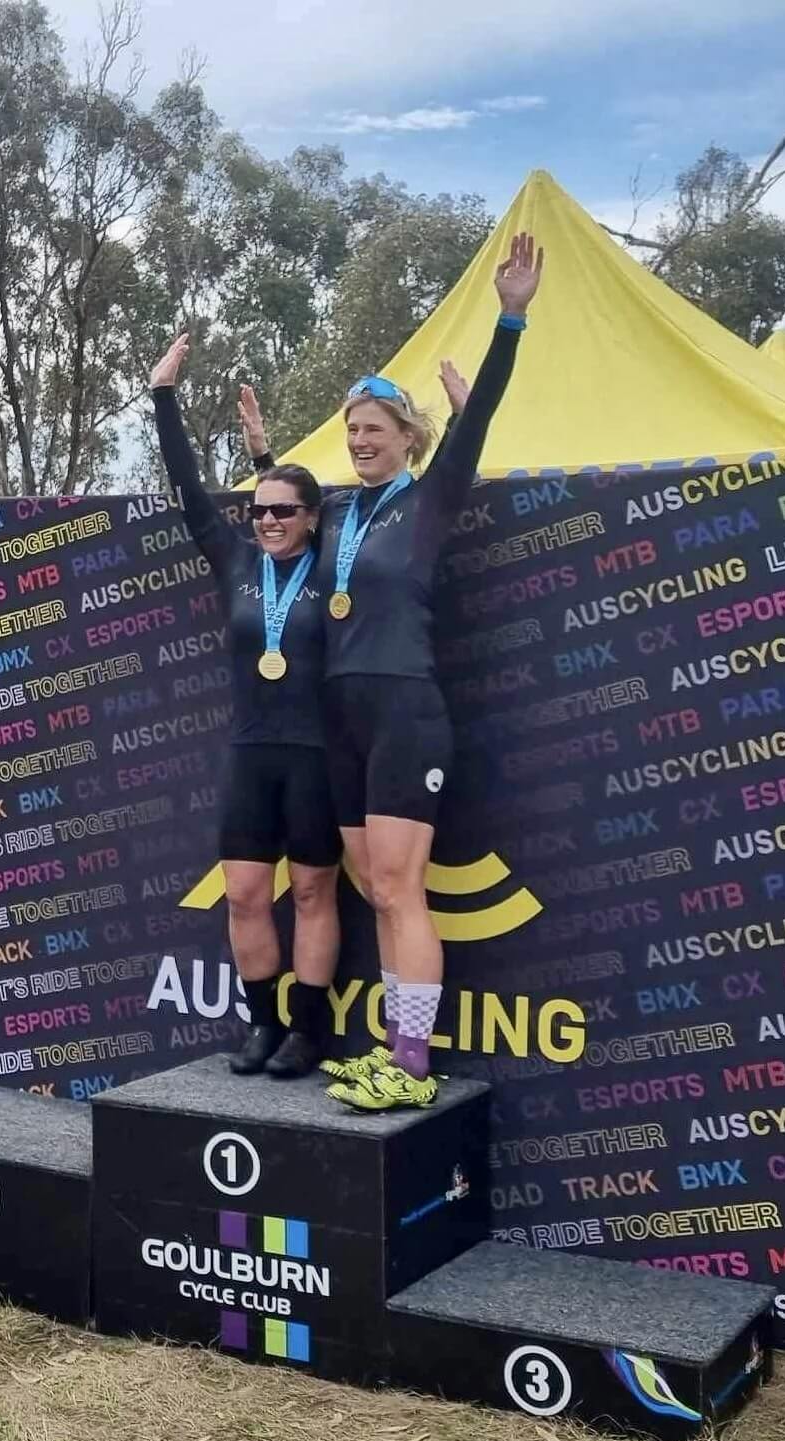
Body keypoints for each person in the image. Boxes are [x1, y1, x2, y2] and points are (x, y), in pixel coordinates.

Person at [312, 232, 542, 1111]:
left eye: (374, 428)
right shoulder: (335, 514)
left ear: (409, 436)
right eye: (352, 431)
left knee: (402, 886)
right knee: (372, 885)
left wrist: (509, 320)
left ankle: (409, 1063)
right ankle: (388, 1049)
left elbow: (476, 423)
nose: (360, 440)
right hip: (341, 719)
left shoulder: (430, 496)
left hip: (406, 709)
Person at [150, 333, 340, 1078]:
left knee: (317, 891)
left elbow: (298, 497)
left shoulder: (333, 565)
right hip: (249, 753)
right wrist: (163, 395)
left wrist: (270, 457)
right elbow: (190, 490)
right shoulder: (236, 562)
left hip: (317, 755)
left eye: (284, 511)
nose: (267, 521)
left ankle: (308, 1030)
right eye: (259, 511)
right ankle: (262, 1024)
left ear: (312, 516)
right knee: (244, 895)